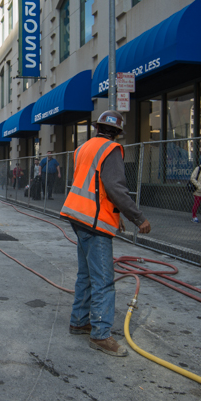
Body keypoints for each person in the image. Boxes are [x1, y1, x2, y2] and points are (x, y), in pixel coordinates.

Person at [61, 111, 151, 358]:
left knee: (86, 274)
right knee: (103, 280)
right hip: (94, 222)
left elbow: (95, 185)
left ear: (97, 128)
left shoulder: (84, 148)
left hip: (77, 216)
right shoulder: (111, 150)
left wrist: (115, 213)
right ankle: (101, 334)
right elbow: (115, 188)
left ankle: (79, 321)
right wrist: (138, 217)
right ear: (118, 134)